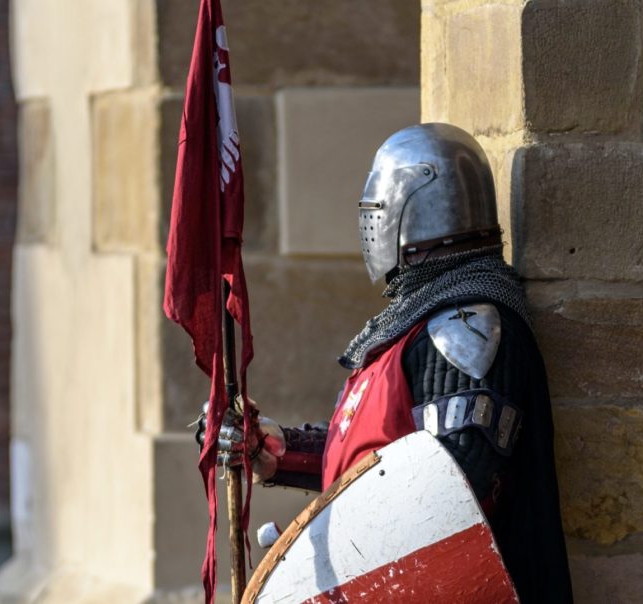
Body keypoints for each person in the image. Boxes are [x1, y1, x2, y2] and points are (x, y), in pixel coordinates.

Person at [198, 123, 573, 601]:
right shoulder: (413, 329)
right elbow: (375, 462)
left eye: (377, 209)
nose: (368, 223)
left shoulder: (465, 328)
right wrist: (276, 451)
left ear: (416, 210)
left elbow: (451, 489)